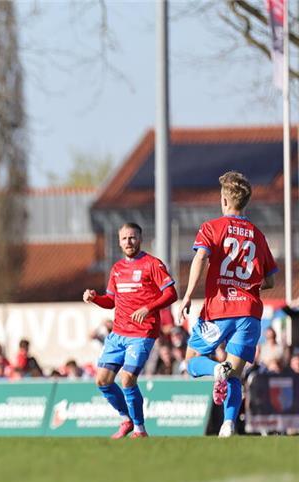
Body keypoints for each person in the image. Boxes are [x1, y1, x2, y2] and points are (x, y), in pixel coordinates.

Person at [180, 171, 278, 437]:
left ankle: (215, 369)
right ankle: (228, 425)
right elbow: (269, 281)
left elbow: (200, 258)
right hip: (248, 313)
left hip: (219, 309)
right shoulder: (257, 235)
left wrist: (188, 294)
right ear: (245, 202)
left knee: (190, 361)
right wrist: (247, 286)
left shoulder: (212, 227)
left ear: (224, 200)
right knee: (235, 374)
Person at [84, 222, 178, 439]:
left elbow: (171, 293)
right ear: (119, 241)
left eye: (132, 237)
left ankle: (140, 429)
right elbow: (111, 301)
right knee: (102, 380)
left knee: (127, 379)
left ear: (140, 239)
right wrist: (95, 298)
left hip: (142, 333)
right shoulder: (117, 269)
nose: (128, 242)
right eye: (125, 238)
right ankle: (126, 419)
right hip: (118, 334)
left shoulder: (152, 264)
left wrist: (148, 308)